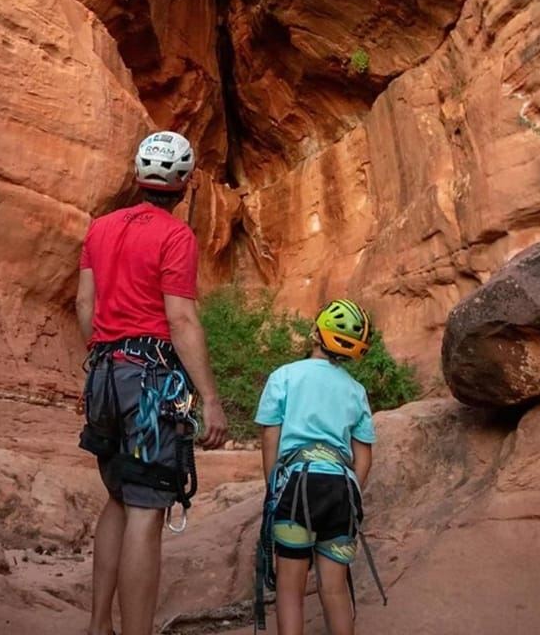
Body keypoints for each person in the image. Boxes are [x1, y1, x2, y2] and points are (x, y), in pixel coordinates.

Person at [75, 130, 228, 635]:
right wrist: (210, 398)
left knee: (119, 496)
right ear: (183, 184)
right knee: (146, 509)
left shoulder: (98, 229)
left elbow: (84, 306)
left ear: (138, 175)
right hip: (151, 383)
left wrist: (104, 356)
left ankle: (100, 626)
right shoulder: (176, 236)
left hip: (102, 372)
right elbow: (180, 318)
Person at [255, 299, 377, 635]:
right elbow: (363, 455)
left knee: (290, 590)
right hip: (341, 488)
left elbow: (270, 438)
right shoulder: (356, 390)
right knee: (335, 590)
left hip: (298, 486)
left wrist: (273, 489)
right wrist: (352, 491)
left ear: (315, 334)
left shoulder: (285, 376)